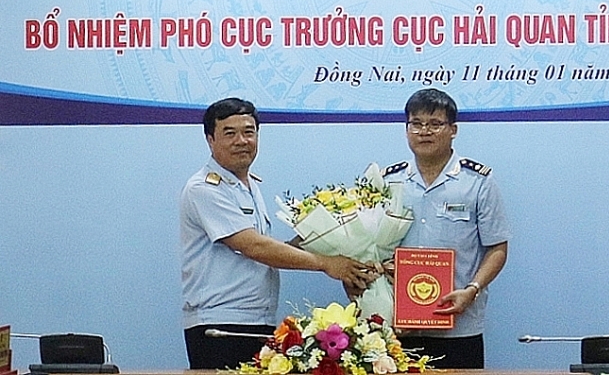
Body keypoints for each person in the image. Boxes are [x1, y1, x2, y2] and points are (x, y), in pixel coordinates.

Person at [180, 97, 374, 369]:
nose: (241, 140)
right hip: (221, 324)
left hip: (256, 320)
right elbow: (254, 247)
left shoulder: (248, 185)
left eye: (249, 132)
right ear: (210, 140)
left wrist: (323, 236)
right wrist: (326, 263)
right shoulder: (204, 188)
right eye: (229, 133)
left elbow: (267, 248)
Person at [382, 88, 510, 368]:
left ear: (453, 130)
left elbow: (497, 248)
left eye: (435, 124)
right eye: (416, 124)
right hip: (399, 325)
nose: (424, 131)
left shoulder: (478, 182)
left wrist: (472, 289)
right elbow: (373, 247)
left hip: (460, 325)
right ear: (406, 129)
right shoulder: (387, 182)